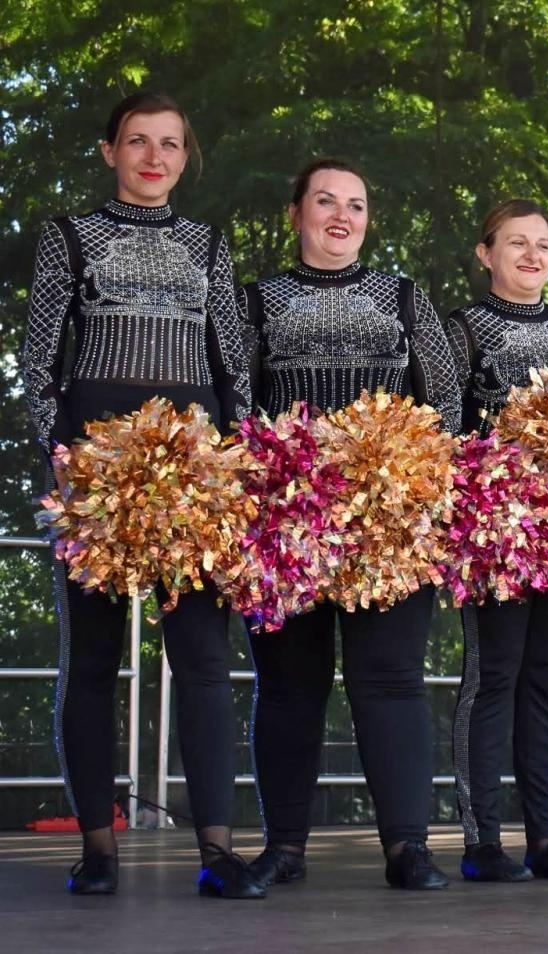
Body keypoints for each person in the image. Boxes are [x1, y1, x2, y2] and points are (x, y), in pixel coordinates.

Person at [23, 92, 261, 898]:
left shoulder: (209, 243)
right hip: (95, 463)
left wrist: (235, 464)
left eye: (169, 144)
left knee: (201, 656)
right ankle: (97, 847)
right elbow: (37, 362)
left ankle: (219, 852)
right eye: (137, 142)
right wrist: (64, 462)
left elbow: (232, 362)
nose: (154, 157)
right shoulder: (68, 238)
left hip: (192, 467)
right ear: (109, 152)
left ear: (186, 157)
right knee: (89, 658)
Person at [242, 157, 461, 890]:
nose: (342, 215)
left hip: (390, 522)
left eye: (357, 205)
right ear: (297, 211)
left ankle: (408, 847)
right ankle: (284, 848)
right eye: (326, 201)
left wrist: (418, 486)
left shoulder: (404, 297)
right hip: (287, 522)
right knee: (288, 685)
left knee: (392, 679)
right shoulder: (256, 299)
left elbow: (447, 404)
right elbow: (236, 404)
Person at [447, 200, 548, 882]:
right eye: (517, 243)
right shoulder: (460, 329)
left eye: (542, 244)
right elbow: (446, 424)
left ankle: (547, 837)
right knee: (494, 676)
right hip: (498, 530)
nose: (533, 255)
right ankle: (483, 839)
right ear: (486, 254)